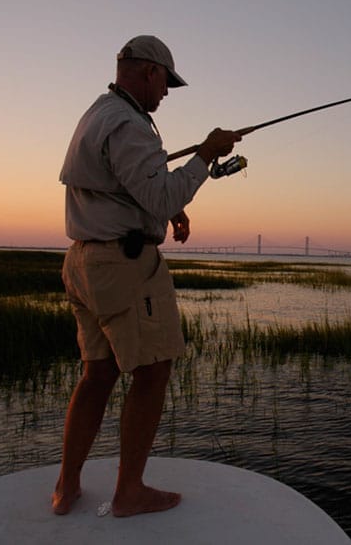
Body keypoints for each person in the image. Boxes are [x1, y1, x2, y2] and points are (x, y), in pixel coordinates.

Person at [52, 35, 241, 517]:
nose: (167, 93)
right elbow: (155, 195)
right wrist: (205, 156)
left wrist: (169, 208)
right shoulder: (129, 124)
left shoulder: (99, 113)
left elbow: (132, 189)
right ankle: (129, 491)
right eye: (166, 83)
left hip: (83, 263)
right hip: (125, 267)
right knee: (155, 370)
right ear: (150, 71)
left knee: (98, 373)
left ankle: (66, 485)